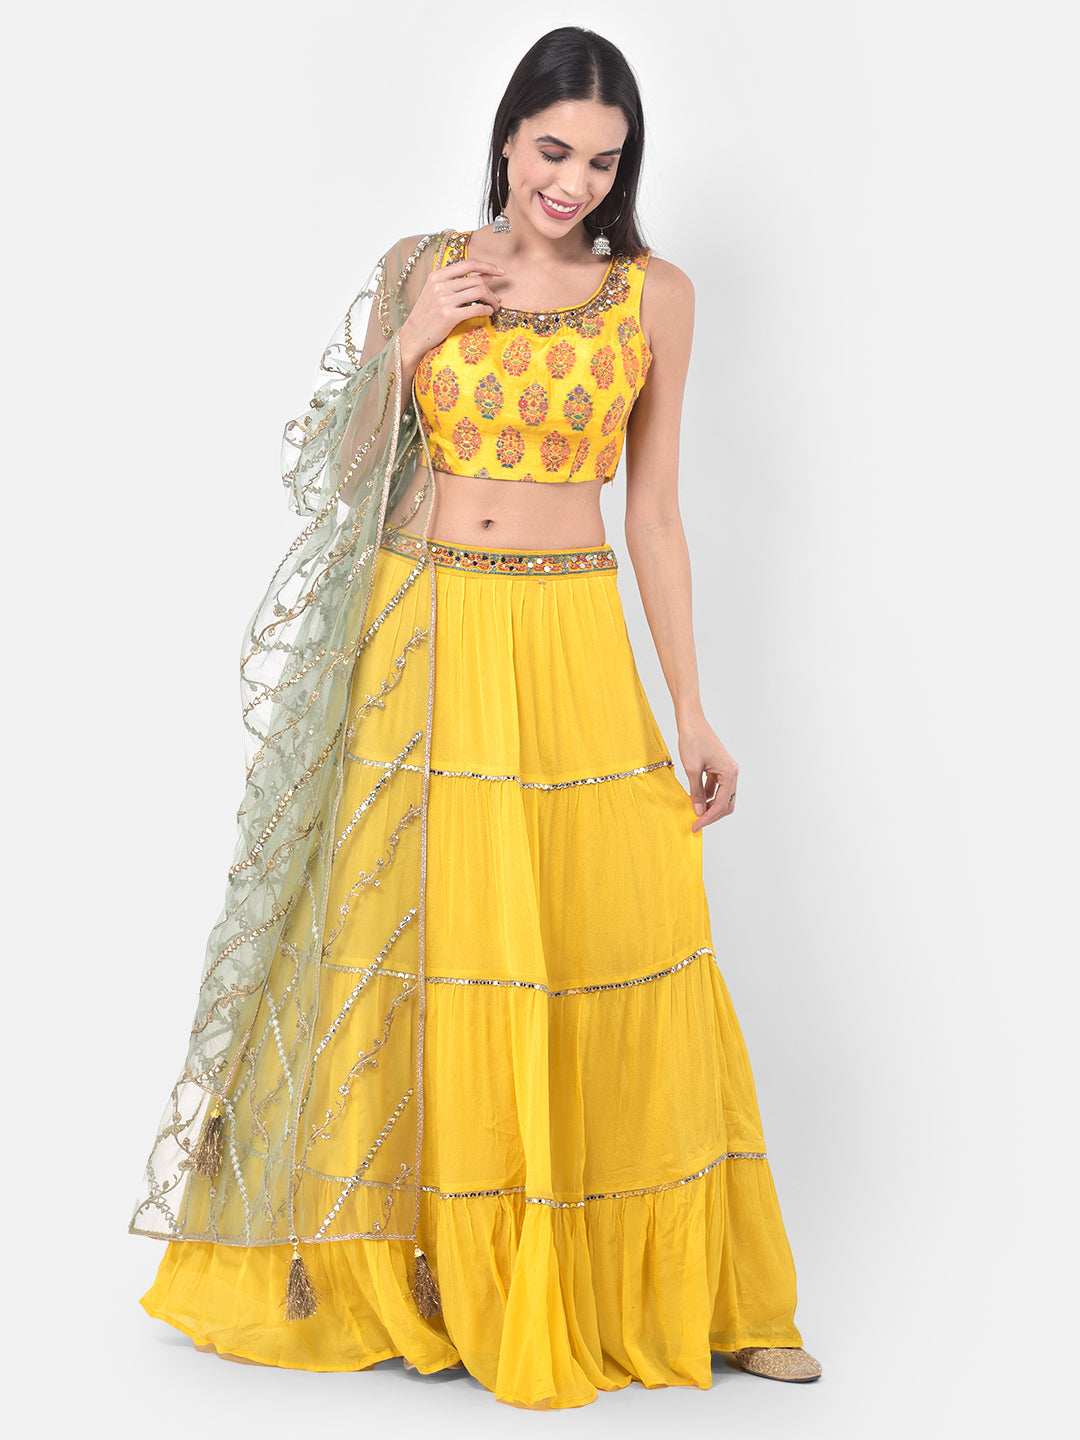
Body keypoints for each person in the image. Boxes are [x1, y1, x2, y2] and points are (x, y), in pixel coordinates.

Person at [131, 25, 822, 1409]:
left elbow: (656, 513)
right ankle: (414, 1271)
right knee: (412, 939)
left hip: (565, 634)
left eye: (603, 162)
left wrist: (693, 708)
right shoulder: (423, 267)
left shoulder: (654, 296)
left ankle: (696, 1292)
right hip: (420, 626)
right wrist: (411, 344)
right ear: (508, 136)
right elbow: (347, 474)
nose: (572, 181)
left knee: (617, 930)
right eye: (553, 149)